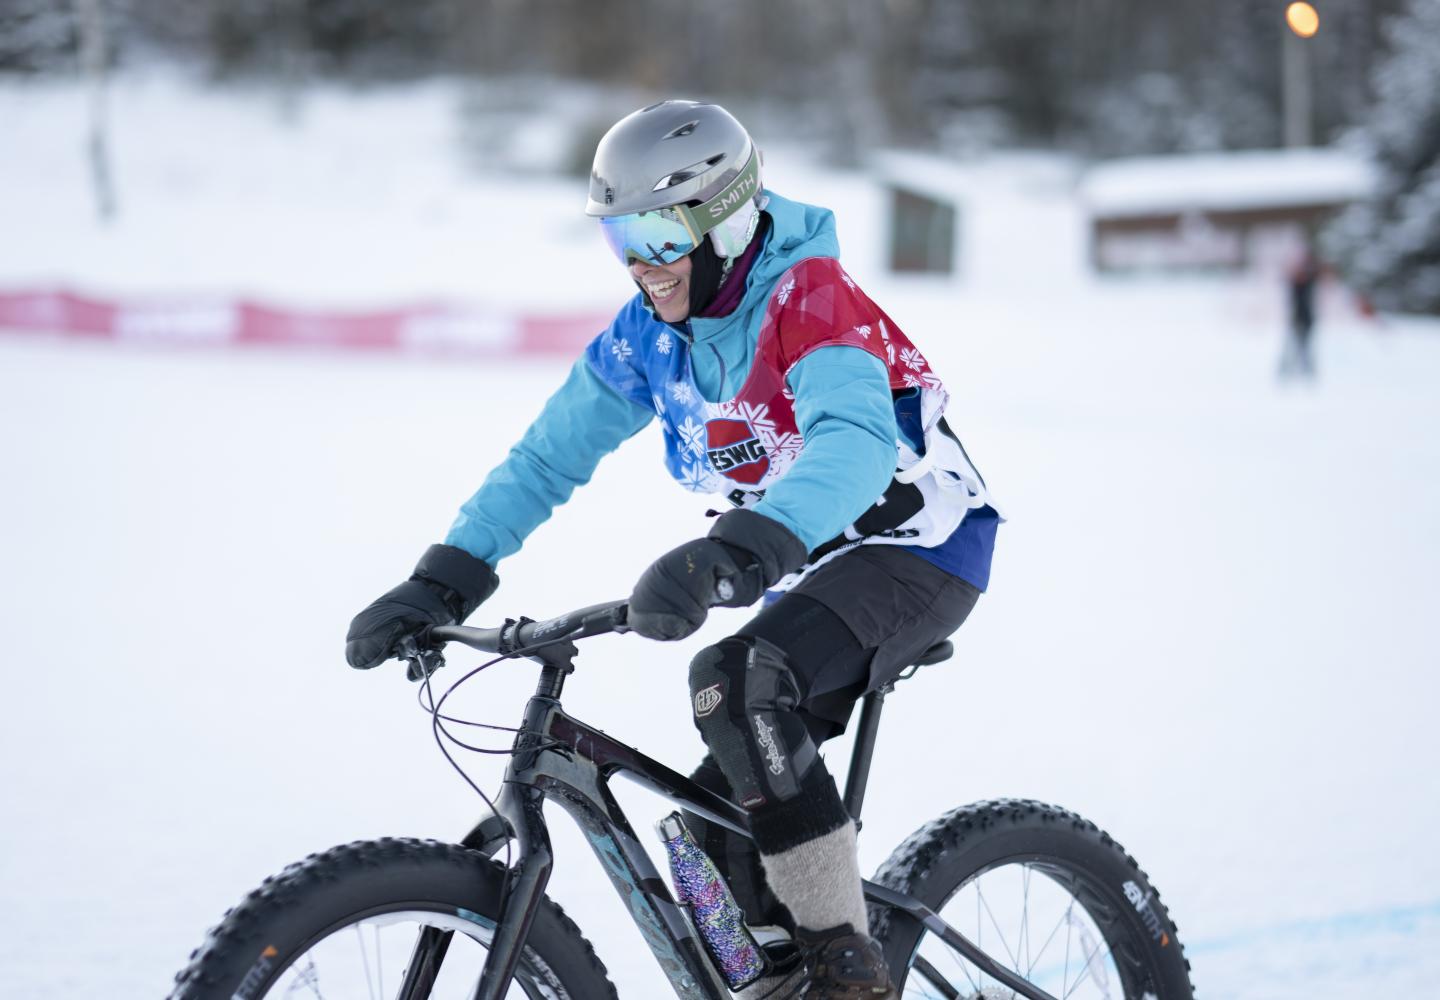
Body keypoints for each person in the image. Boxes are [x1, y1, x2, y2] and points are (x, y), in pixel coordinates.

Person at [345, 100, 1000, 999]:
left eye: (657, 234)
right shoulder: (646, 338)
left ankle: (847, 966)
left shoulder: (807, 298)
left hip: (918, 545)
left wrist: (735, 549)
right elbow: (546, 458)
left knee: (737, 680)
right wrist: (444, 577)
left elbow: (853, 442)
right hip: (802, 561)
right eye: (622, 239)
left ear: (722, 217)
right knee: (710, 840)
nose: (641, 265)